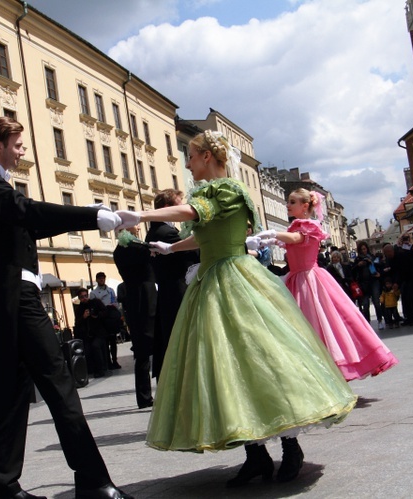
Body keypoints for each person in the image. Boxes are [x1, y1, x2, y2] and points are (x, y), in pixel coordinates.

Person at [115, 131, 355, 487]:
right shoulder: (213, 193)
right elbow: (204, 232)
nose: (188, 163)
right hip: (210, 281)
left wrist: (139, 214)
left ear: (209, 157)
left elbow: (196, 211)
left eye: (192, 157)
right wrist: (172, 248)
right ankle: (255, 455)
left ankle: (291, 448)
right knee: (224, 369)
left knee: (263, 362)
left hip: (235, 279)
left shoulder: (224, 190)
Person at [0, 116, 131, 499]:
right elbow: (32, 213)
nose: (22, 150)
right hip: (19, 301)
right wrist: (91, 215)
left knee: (14, 395)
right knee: (61, 386)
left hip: (13, 300)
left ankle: (4, 488)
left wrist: (91, 218)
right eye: (18, 144)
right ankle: (92, 481)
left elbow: (32, 225)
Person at [258, 188, 398, 381]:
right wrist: (268, 239)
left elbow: (296, 239)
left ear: (305, 206)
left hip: (310, 280)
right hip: (296, 280)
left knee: (322, 323)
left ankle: (332, 369)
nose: (287, 205)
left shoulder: (308, 226)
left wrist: (273, 234)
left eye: (292, 202)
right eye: (288, 202)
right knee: (308, 324)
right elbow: (290, 240)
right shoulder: (295, 227)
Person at [145, 189, 198, 380]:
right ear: (168, 208)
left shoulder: (161, 229)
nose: (184, 208)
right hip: (177, 292)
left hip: (171, 292)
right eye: (180, 204)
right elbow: (190, 255)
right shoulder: (165, 232)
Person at [113, 227, 155, 408]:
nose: (138, 227)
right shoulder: (139, 247)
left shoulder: (118, 251)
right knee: (160, 346)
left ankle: (143, 396)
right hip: (148, 297)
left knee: (141, 353)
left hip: (132, 300)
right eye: (135, 224)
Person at [74, 290, 109, 378]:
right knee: (88, 351)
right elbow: (77, 323)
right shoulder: (79, 309)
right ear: (79, 298)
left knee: (95, 346)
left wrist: (96, 315)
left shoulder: (96, 302)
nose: (85, 298)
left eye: (86, 296)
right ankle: (92, 369)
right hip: (87, 335)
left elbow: (105, 312)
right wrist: (83, 317)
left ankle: (101, 369)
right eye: (82, 297)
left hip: (99, 333)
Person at [352, 241, 382, 326]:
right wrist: (358, 265)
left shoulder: (372, 257)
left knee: (376, 302)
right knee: (365, 304)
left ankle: (380, 320)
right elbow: (353, 271)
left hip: (373, 281)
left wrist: (372, 264)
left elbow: (379, 266)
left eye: (364, 249)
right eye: (361, 250)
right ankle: (367, 322)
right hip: (363, 283)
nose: (363, 251)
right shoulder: (357, 259)